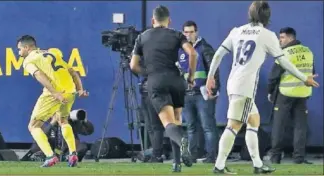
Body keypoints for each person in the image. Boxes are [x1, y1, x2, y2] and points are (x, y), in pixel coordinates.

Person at [206, 1, 319, 174]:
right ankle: (219, 166)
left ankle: (258, 165)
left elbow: (219, 54)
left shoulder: (237, 31)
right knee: (233, 125)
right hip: (244, 87)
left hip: (233, 82)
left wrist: (210, 76)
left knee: (254, 121)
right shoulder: (267, 35)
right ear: (268, 16)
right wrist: (305, 78)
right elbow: (283, 61)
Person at [129, 5, 197, 172]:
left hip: (156, 81)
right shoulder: (176, 34)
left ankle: (182, 142)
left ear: (153, 20)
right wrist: (190, 77)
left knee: (168, 124)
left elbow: (133, 65)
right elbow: (193, 54)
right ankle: (177, 163)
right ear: (169, 21)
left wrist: (148, 73)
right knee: (176, 120)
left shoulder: (142, 37)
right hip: (176, 80)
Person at [17, 35, 88, 167]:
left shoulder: (28, 60)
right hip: (70, 91)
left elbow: (39, 74)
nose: (19, 52)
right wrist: (80, 89)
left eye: (19, 49)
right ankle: (73, 154)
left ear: (27, 47)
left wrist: (55, 93)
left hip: (54, 92)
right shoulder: (51, 52)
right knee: (63, 120)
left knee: (33, 126)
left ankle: (50, 156)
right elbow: (73, 72)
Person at [267, 27, 314, 165]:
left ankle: (275, 157)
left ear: (290, 38)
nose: (279, 40)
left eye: (282, 37)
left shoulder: (284, 53)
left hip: (285, 94)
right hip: (303, 93)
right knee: (300, 127)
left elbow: (273, 76)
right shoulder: (308, 51)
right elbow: (311, 72)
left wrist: (270, 92)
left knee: (279, 126)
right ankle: (299, 158)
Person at [179, 20, 220, 163]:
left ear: (196, 32)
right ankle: (193, 155)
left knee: (208, 126)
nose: (188, 35)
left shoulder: (205, 48)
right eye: (186, 32)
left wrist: (213, 89)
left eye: (191, 32)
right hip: (186, 94)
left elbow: (213, 70)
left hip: (203, 93)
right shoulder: (181, 50)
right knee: (190, 127)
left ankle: (212, 156)